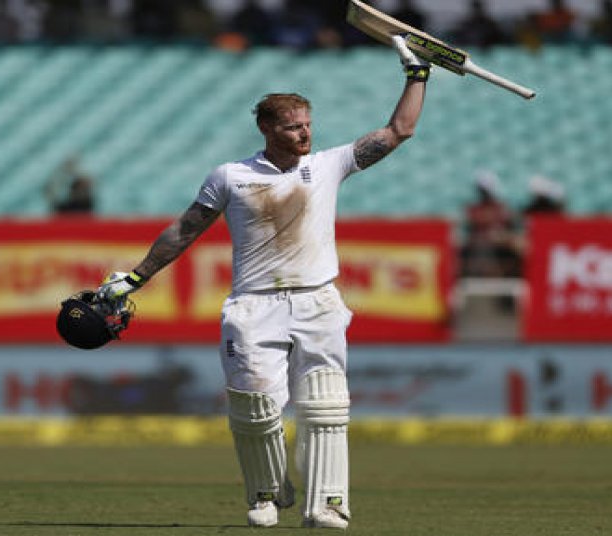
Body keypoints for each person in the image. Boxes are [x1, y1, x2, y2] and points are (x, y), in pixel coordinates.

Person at [97, 36, 430, 529]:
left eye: (308, 125)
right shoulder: (230, 176)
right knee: (253, 404)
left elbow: (399, 130)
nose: (304, 135)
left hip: (318, 300)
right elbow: (186, 229)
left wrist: (417, 76)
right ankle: (267, 492)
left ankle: (328, 501)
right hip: (254, 304)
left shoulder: (327, 164)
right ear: (267, 128)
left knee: (324, 404)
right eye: (293, 127)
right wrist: (137, 277)